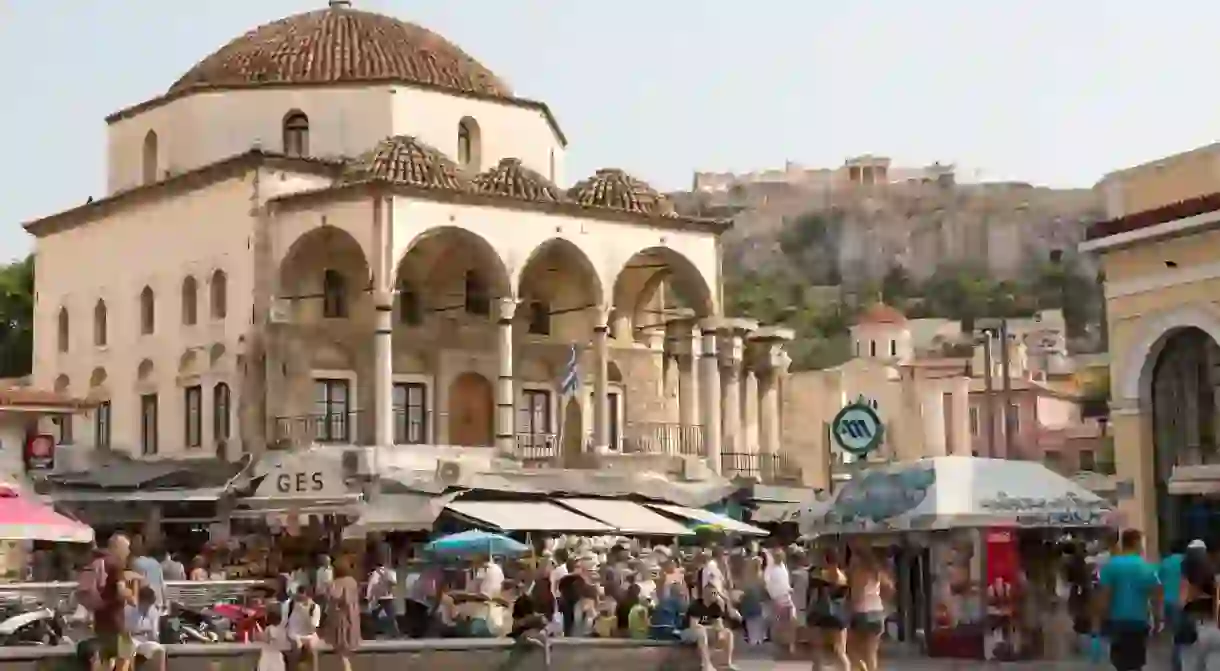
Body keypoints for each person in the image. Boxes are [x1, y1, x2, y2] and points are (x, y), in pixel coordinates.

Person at [1098, 528, 1163, 671]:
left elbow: (1105, 595)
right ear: (1137, 543)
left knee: (1120, 663)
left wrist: (1101, 619)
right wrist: (1158, 620)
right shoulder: (1147, 567)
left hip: (1117, 621)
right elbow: (1156, 596)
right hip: (1139, 621)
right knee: (1136, 663)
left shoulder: (1110, 566)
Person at [846, 546, 892, 671]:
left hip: (862, 613)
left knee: (849, 648)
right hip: (877, 612)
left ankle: (863, 668)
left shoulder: (859, 572)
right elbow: (890, 587)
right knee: (871, 653)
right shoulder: (877, 572)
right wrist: (881, 600)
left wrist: (848, 605)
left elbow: (857, 596)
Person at [807, 547, 850, 671]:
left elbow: (813, 595)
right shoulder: (843, 577)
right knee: (840, 651)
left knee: (818, 651)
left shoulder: (819, 575)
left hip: (820, 615)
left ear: (825, 560)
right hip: (838, 617)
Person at [683, 584, 736, 671]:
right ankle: (706, 665)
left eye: (716, 593)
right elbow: (693, 625)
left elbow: (719, 624)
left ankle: (727, 662)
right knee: (701, 631)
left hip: (706, 630)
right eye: (713, 593)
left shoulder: (716, 606)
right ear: (705, 594)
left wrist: (720, 631)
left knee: (728, 633)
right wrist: (711, 628)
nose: (715, 595)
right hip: (689, 632)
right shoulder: (696, 606)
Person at [324, 558, 361, 671]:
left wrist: (329, 588)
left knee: (341, 650)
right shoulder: (353, 581)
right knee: (347, 651)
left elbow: (336, 597)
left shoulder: (337, 583)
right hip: (353, 616)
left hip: (341, 618)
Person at [122, 586, 165, 671]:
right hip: (131, 639)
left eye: (150, 603)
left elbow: (154, 633)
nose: (148, 606)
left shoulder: (153, 611)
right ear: (140, 601)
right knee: (130, 652)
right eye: (147, 603)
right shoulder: (128, 610)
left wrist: (156, 641)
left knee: (160, 651)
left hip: (146, 640)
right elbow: (124, 631)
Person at [1160, 540, 1188, 671]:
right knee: (1184, 634)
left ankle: (1175, 662)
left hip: (1168, 602)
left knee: (1173, 633)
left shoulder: (1165, 562)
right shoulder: (1188, 562)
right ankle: (1181, 662)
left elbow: (1159, 580)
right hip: (1183, 602)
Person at [764, 548, 796, 656]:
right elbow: (768, 584)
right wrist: (773, 595)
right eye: (777, 556)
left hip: (787, 596)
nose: (779, 558)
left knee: (791, 621)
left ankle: (790, 644)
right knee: (779, 622)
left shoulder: (783, 567)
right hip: (778, 598)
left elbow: (785, 581)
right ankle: (778, 644)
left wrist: (789, 588)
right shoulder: (771, 569)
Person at [282, 586, 322, 671]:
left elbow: (313, 628)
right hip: (293, 635)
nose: (300, 601)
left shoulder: (314, 607)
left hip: (309, 636)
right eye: (298, 598)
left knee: (310, 650)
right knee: (296, 649)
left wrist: (307, 615)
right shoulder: (289, 605)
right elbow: (284, 623)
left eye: (303, 599)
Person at [366, 556, 400, 638]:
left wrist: (368, 596)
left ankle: (371, 633)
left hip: (378, 597)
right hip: (388, 596)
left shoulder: (374, 573)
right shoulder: (391, 572)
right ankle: (396, 633)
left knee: (374, 615)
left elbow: (371, 585)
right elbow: (394, 584)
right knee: (391, 615)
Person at [129, 536, 166, 608]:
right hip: (157, 603)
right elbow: (161, 583)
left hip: (144, 606)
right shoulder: (154, 562)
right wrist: (164, 602)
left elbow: (138, 585)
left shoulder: (135, 563)